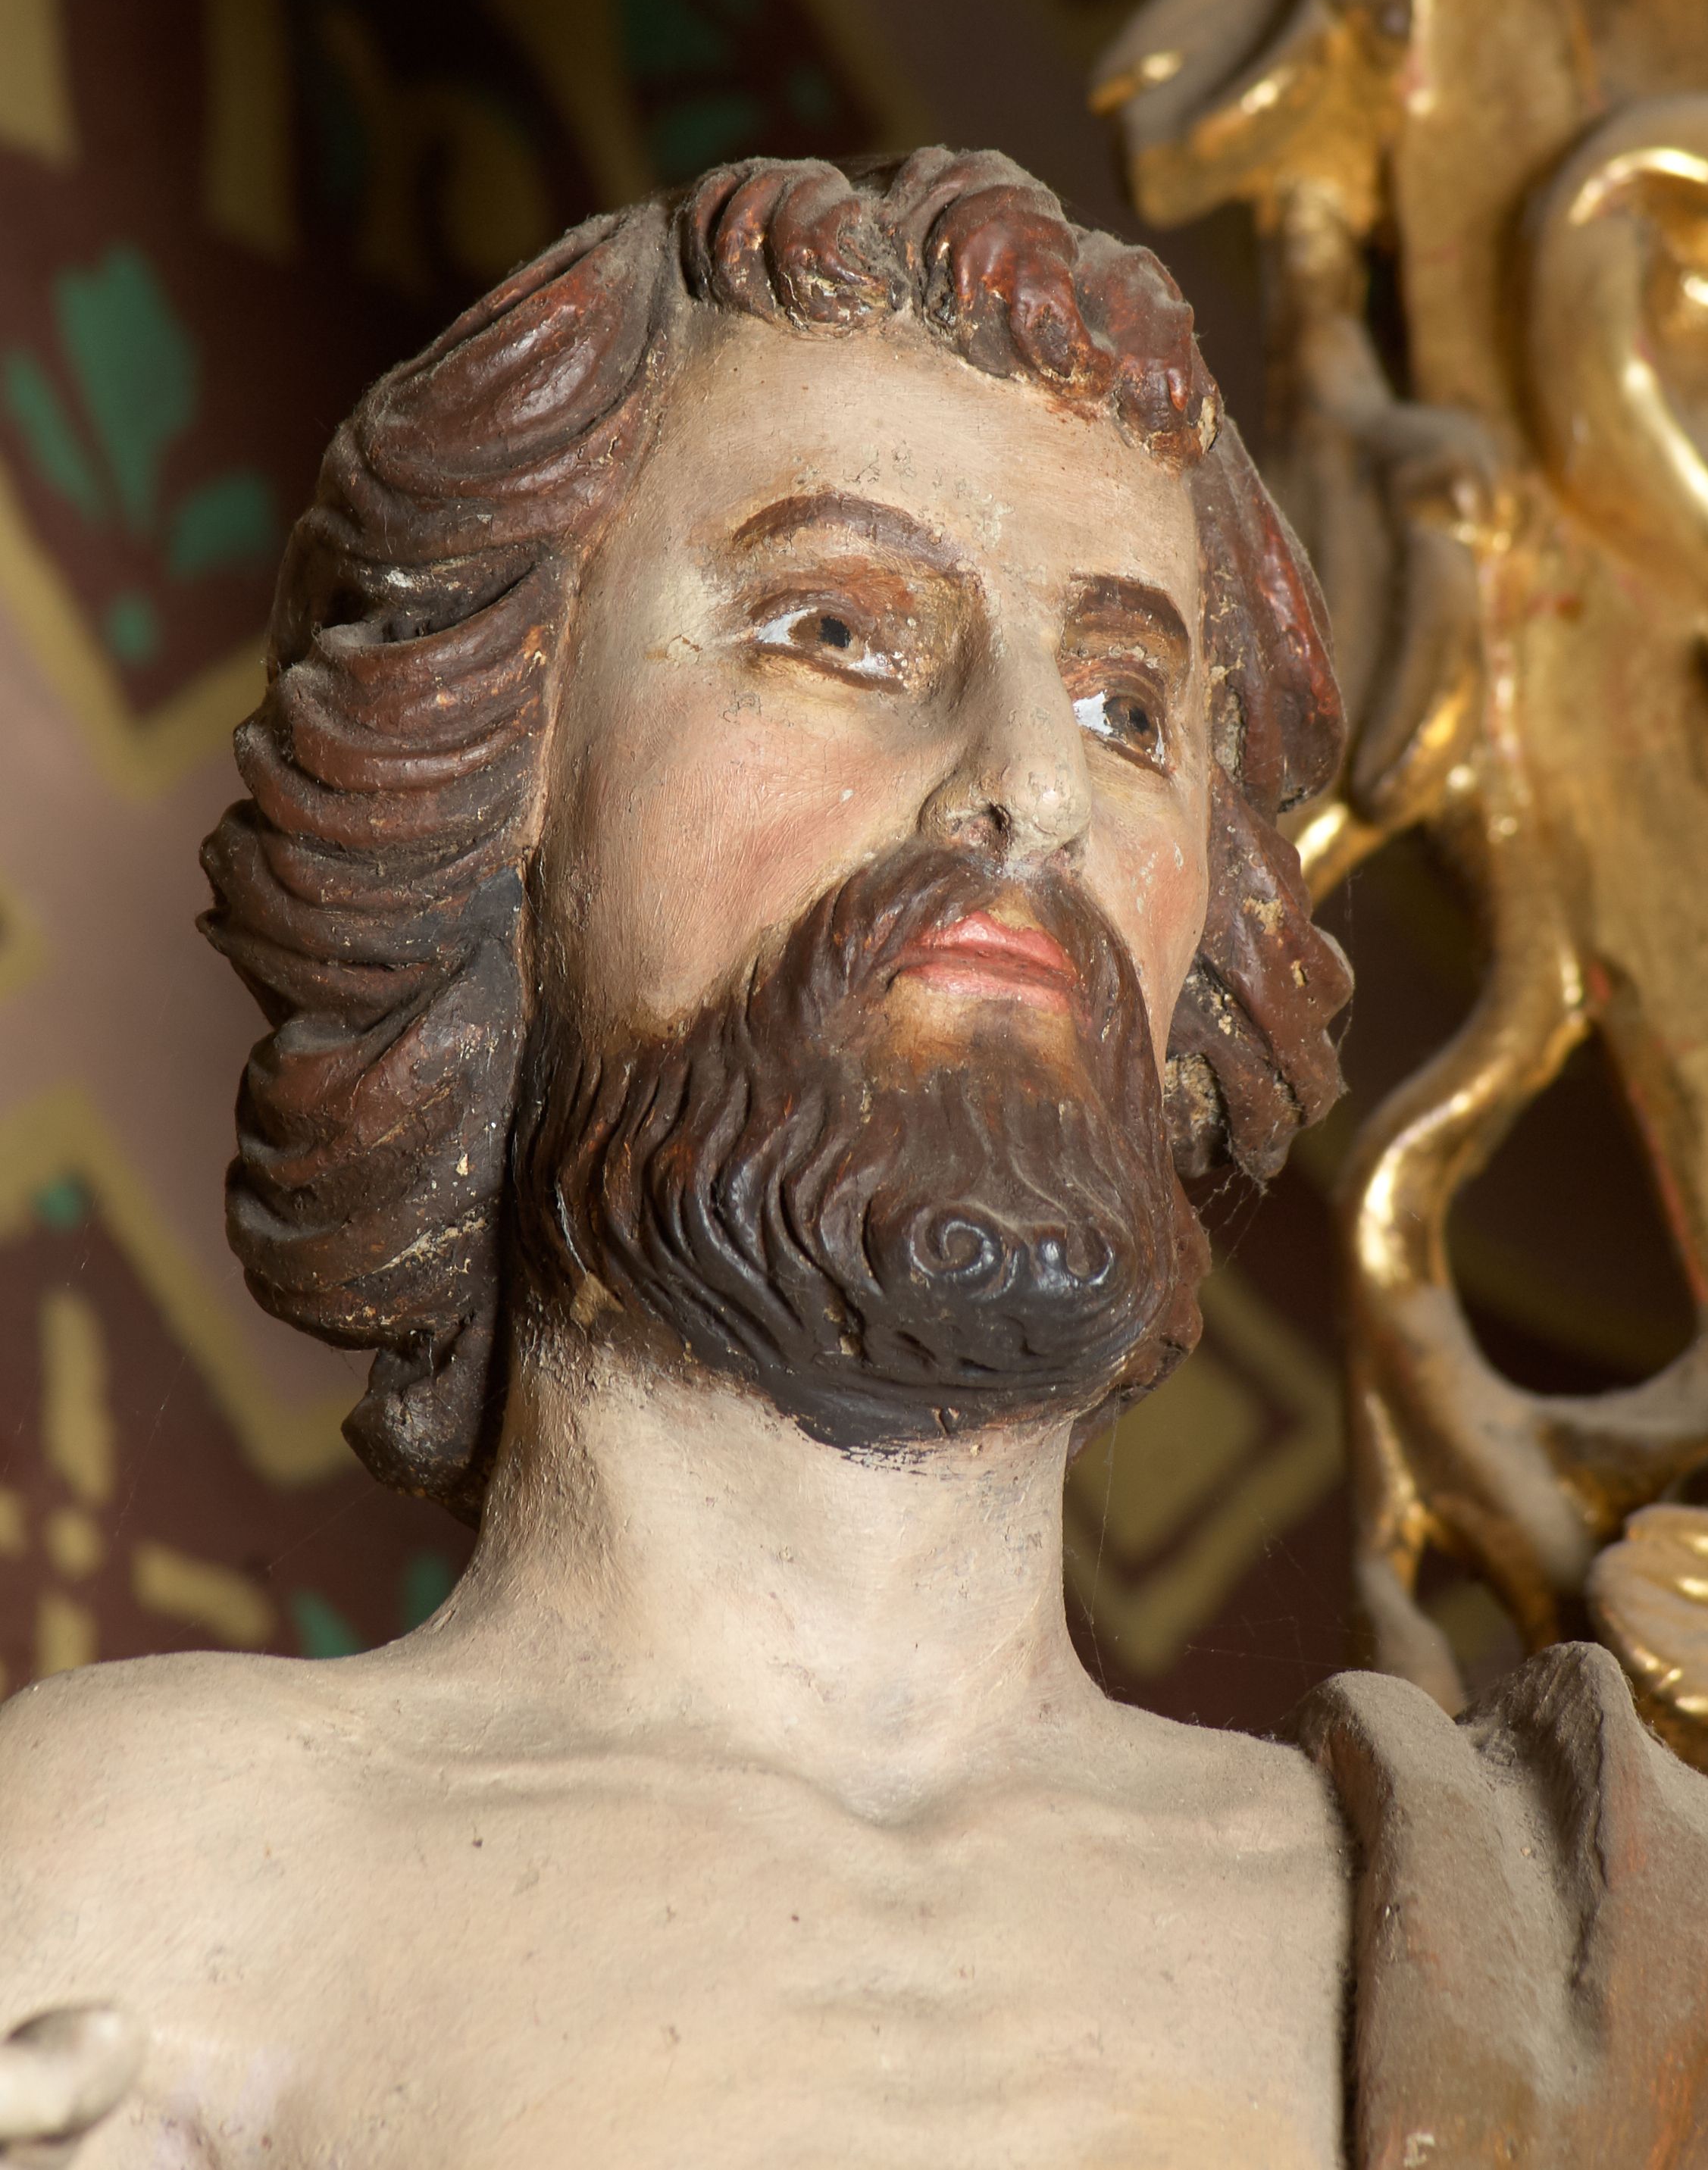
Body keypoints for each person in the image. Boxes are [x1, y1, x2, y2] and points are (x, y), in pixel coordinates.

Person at [2, 152, 1704, 2169]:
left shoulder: (1552, 1940)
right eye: (837, 627)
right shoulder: (148, 1881)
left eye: (1130, 702)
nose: (1036, 784)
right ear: (490, 781)